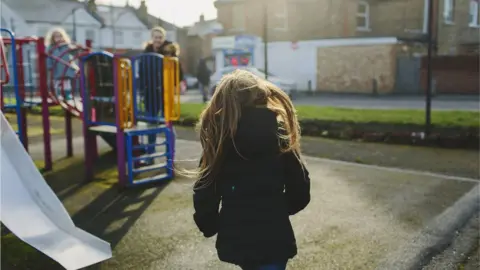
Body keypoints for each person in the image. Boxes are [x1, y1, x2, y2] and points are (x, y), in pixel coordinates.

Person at [192, 69, 311, 270]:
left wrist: (209, 224)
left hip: (237, 235)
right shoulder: (279, 134)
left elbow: (205, 189)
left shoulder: (220, 139)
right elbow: (300, 187)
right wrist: (278, 210)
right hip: (274, 235)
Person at [45, 27, 78, 100]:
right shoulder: (51, 47)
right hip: (57, 68)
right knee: (57, 82)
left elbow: (74, 53)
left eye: (60, 36)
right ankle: (58, 94)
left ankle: (67, 94)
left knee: (66, 83)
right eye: (56, 37)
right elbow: (48, 57)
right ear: (52, 38)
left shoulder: (66, 46)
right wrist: (49, 66)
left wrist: (75, 47)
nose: (58, 38)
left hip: (66, 68)